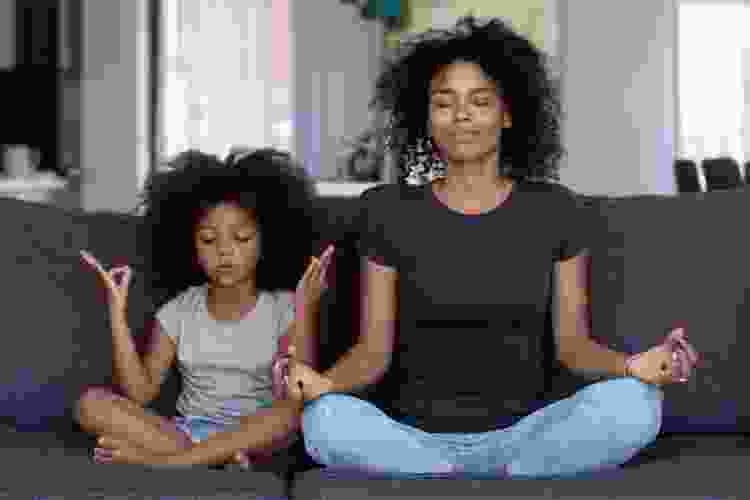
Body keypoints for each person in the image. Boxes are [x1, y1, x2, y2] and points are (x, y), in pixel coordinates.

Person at [282, 15, 701, 478]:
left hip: (529, 433)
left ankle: (490, 477)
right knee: (324, 420)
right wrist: (325, 383)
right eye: (444, 103)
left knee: (638, 403)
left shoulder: (556, 210)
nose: (461, 115)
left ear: (507, 114)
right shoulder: (387, 211)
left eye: (480, 102)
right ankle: (459, 476)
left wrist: (635, 365)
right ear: (426, 118)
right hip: (412, 435)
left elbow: (574, 348)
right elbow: (372, 353)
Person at [74, 149, 335, 469]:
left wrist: (305, 309)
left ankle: (167, 461)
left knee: (290, 413)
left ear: (267, 240)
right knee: (90, 405)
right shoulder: (179, 311)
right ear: (189, 246)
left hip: (258, 437)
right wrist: (117, 314)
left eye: (241, 238)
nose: (225, 251)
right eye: (209, 240)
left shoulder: (284, 306)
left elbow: (300, 388)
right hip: (189, 434)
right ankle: (209, 460)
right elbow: (141, 393)